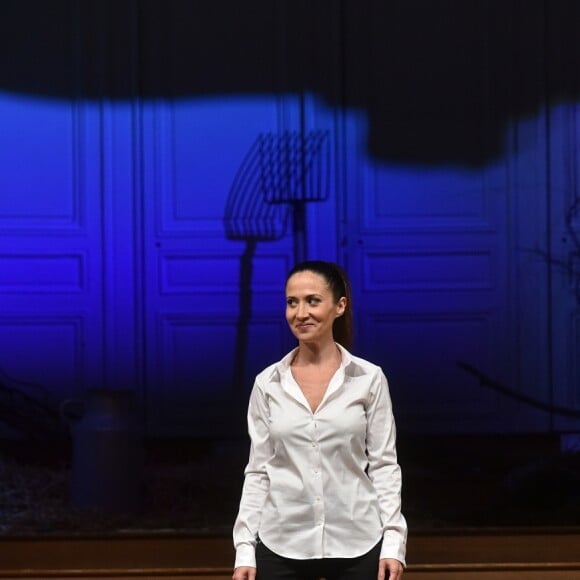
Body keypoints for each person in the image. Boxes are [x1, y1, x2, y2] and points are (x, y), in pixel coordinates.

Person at [232, 260, 407, 580]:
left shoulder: (368, 379)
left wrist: (393, 542)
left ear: (339, 306)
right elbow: (258, 470)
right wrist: (244, 548)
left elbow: (384, 465)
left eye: (312, 301)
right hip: (283, 540)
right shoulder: (267, 383)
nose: (300, 313)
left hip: (358, 538)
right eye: (292, 302)